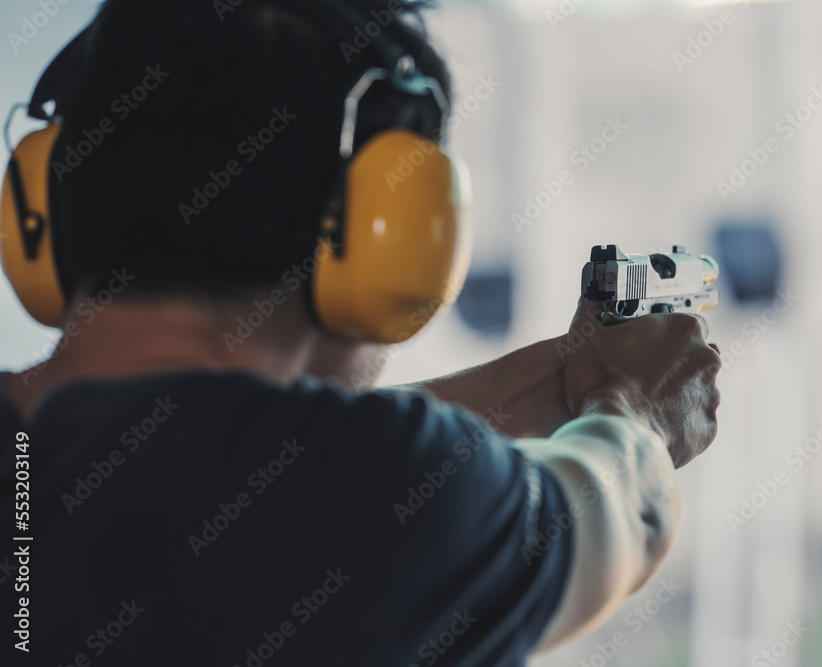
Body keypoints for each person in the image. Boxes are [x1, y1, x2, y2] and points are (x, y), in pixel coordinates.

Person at [0, 0, 721, 664]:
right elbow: (620, 517)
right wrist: (638, 408)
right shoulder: (368, 493)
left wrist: (567, 375)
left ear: (44, 205)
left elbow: (251, 457)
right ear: (391, 232)